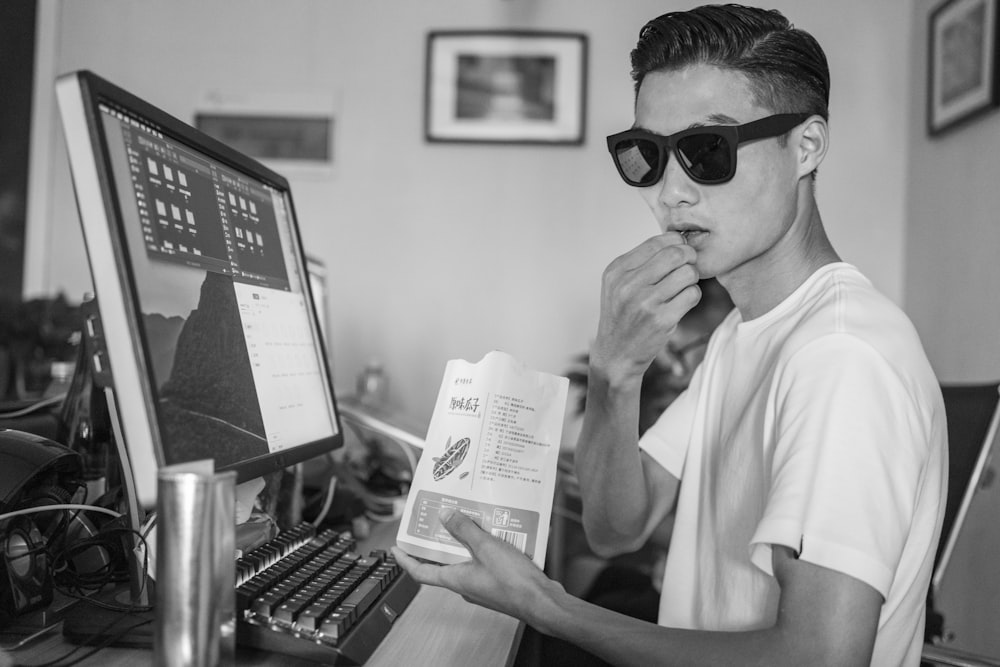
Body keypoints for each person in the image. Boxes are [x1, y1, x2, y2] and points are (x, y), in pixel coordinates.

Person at [392, 5, 947, 666]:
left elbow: (822, 657)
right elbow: (615, 527)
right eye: (648, 155)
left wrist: (546, 604)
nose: (671, 192)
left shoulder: (841, 355)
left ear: (806, 146)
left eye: (707, 151)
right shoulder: (747, 333)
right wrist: (613, 372)